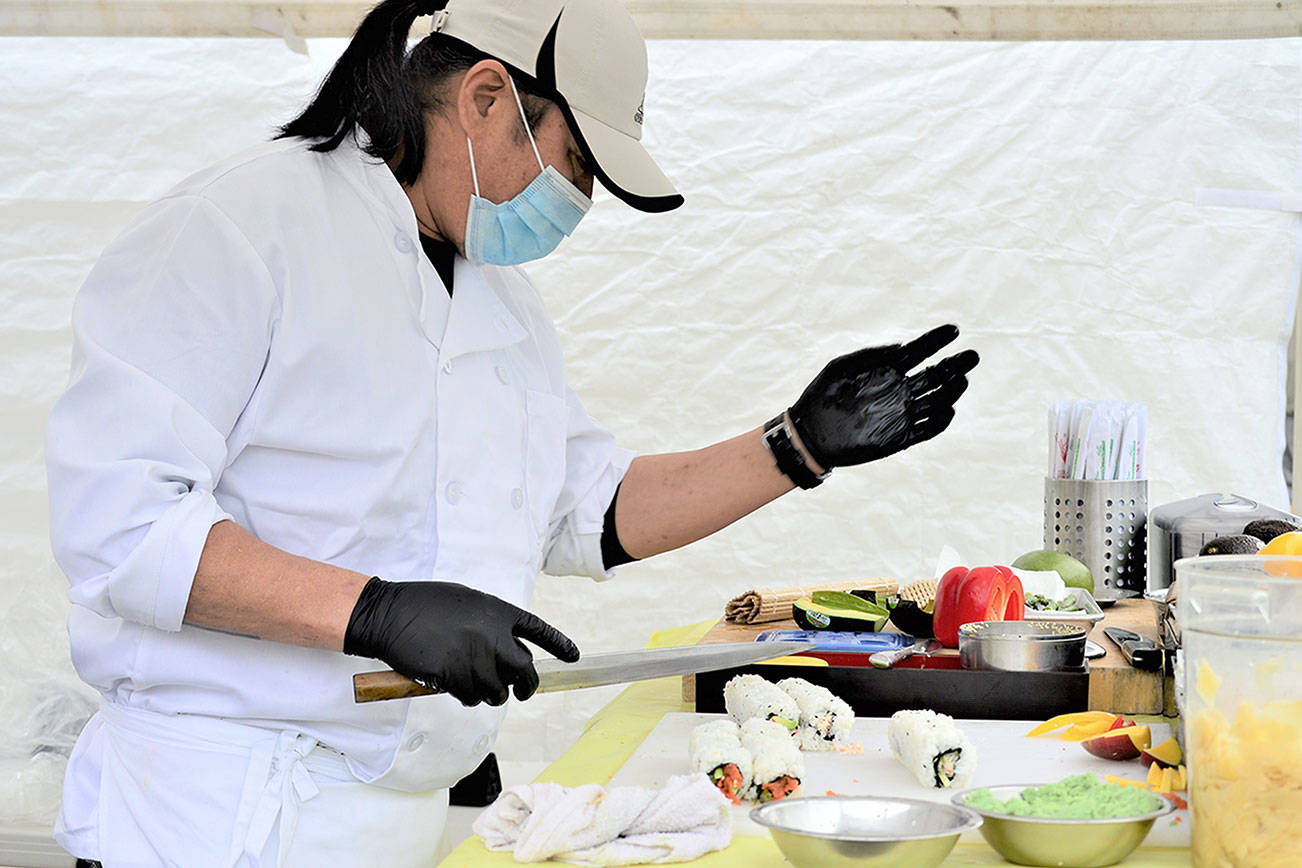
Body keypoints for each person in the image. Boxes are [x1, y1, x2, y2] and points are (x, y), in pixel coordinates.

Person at [43, 0, 979, 864]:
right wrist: (375, 612)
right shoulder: (238, 227)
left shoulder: (506, 304)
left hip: (406, 818)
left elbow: (586, 510)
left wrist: (797, 446)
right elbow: (121, 524)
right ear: (487, 97)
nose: (580, 201)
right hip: (217, 818)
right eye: (578, 165)